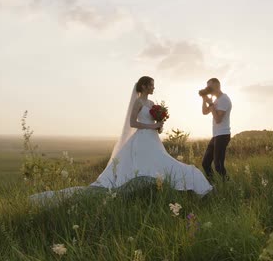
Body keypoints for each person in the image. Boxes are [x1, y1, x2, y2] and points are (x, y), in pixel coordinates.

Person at [30, 76, 213, 205]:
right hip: (141, 140)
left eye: (153, 85)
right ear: (143, 87)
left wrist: (159, 125)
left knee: (163, 162)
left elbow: (156, 124)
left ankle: (193, 188)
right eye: (151, 85)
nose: (153, 88)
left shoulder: (152, 104)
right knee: (148, 166)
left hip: (153, 139)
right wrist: (151, 127)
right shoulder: (139, 103)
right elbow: (133, 122)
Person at [200, 78, 232, 182]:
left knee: (218, 166)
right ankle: (212, 185)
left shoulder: (224, 100)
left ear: (217, 86)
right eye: (207, 86)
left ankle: (228, 185)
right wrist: (204, 100)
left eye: (210, 86)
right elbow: (204, 112)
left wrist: (211, 104)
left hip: (223, 135)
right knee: (205, 163)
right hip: (216, 135)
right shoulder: (216, 100)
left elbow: (218, 119)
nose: (208, 89)